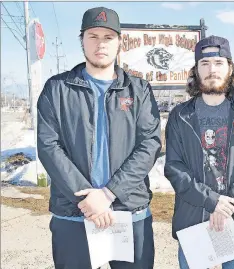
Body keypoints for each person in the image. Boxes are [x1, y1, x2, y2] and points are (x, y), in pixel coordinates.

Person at [37, 7, 161, 269]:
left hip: (128, 212)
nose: (100, 44)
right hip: (74, 215)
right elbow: (49, 146)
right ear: (82, 40)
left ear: (119, 42)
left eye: (108, 37)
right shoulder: (57, 89)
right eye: (93, 36)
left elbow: (149, 144)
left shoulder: (138, 90)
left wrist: (109, 193)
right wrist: (86, 198)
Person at [164, 35, 234, 268]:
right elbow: (174, 167)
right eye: (205, 64)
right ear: (196, 70)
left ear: (230, 68)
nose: (212, 70)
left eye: (219, 63)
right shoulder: (180, 115)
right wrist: (212, 202)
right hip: (194, 219)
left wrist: (228, 203)